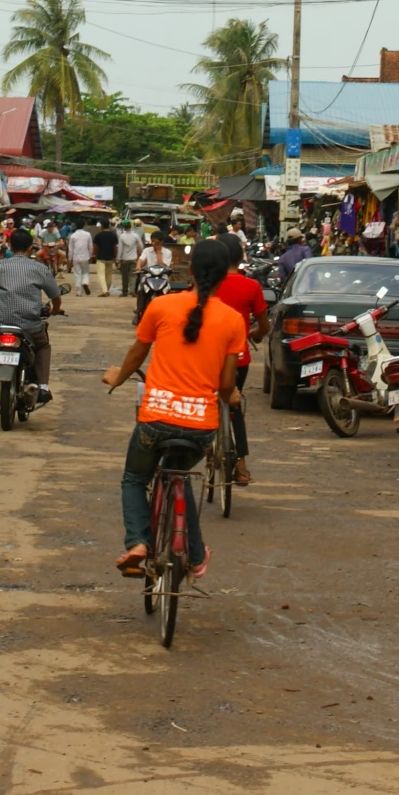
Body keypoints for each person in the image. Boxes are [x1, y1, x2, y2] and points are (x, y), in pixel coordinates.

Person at [102, 241, 243, 578]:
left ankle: (138, 543)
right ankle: (194, 556)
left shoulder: (162, 306)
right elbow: (226, 384)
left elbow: (138, 353)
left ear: (189, 271)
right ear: (226, 276)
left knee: (135, 479)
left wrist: (118, 377)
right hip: (201, 428)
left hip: (155, 422)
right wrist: (230, 395)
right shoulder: (233, 320)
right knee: (178, 474)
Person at [207, 244, 267, 486]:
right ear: (241, 258)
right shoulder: (251, 286)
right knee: (234, 406)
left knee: (207, 404)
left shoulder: (207, 285)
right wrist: (254, 333)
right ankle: (241, 466)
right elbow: (265, 326)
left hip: (210, 357)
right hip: (238, 359)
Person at [0, 227, 64, 401]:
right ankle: (43, 386)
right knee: (43, 346)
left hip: (2, 322)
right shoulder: (39, 269)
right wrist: (55, 310)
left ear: (10, 246)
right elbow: (55, 296)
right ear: (30, 248)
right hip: (30, 325)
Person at [115, 219, 145, 297]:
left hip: (124, 259)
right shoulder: (135, 235)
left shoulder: (122, 236)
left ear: (124, 227)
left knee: (124, 276)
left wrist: (118, 259)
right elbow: (141, 246)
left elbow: (120, 249)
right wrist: (141, 254)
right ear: (131, 226)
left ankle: (125, 292)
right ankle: (132, 290)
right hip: (133, 258)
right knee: (133, 275)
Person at [66, 222, 96, 296]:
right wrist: (90, 255)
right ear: (84, 225)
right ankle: (85, 283)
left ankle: (78, 292)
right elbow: (90, 247)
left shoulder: (72, 236)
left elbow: (70, 249)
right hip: (85, 256)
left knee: (77, 274)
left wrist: (70, 259)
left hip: (76, 257)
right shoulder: (87, 234)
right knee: (85, 272)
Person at [92, 221, 119, 298]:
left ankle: (104, 291)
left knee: (101, 274)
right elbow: (115, 247)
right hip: (110, 257)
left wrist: (94, 255)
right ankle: (106, 289)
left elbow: (95, 247)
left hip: (101, 257)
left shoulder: (98, 235)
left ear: (101, 226)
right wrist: (115, 256)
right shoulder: (113, 235)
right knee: (108, 275)